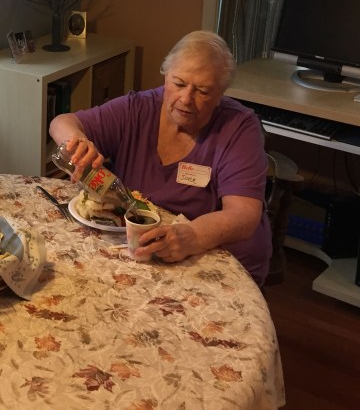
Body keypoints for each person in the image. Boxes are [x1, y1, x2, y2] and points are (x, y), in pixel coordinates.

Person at [49, 30, 271, 285]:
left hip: (218, 257)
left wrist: (194, 235)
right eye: (179, 84)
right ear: (166, 76)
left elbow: (244, 215)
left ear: (221, 93)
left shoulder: (239, 127)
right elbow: (61, 122)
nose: (186, 99)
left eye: (202, 91)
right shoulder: (137, 108)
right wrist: (77, 142)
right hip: (147, 247)